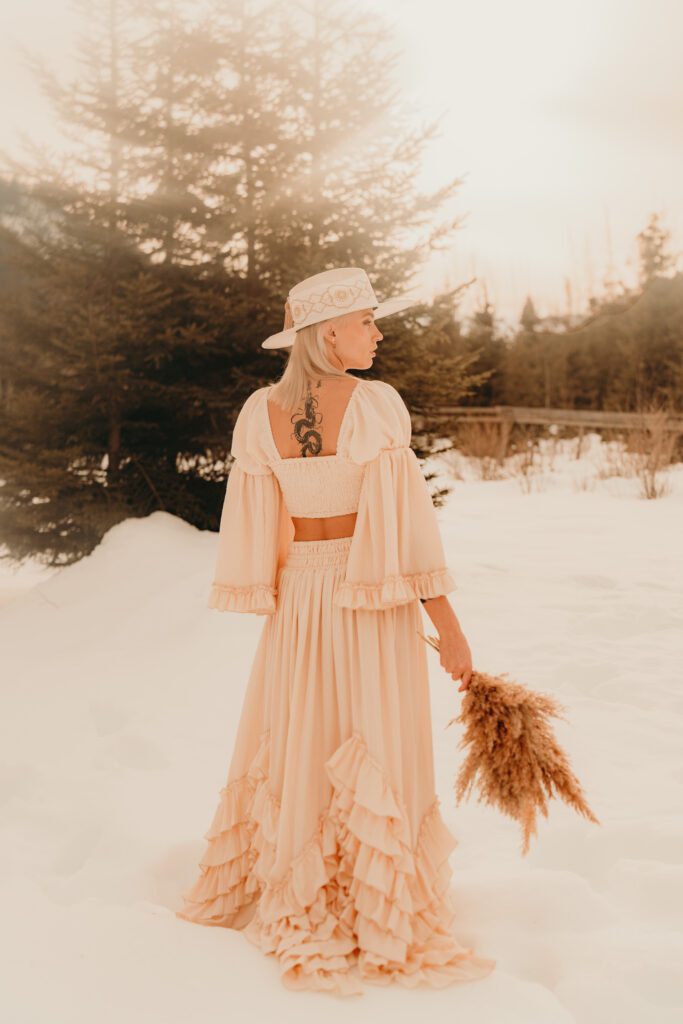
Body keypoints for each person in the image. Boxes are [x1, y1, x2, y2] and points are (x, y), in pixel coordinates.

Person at [176, 268, 496, 997]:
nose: (377, 334)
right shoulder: (375, 406)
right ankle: (373, 896)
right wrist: (449, 630)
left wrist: (289, 595)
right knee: (373, 735)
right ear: (330, 335)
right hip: (367, 594)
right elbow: (406, 537)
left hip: (301, 600)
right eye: (367, 321)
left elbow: (264, 528)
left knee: (301, 736)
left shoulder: (258, 413)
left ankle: (301, 880)